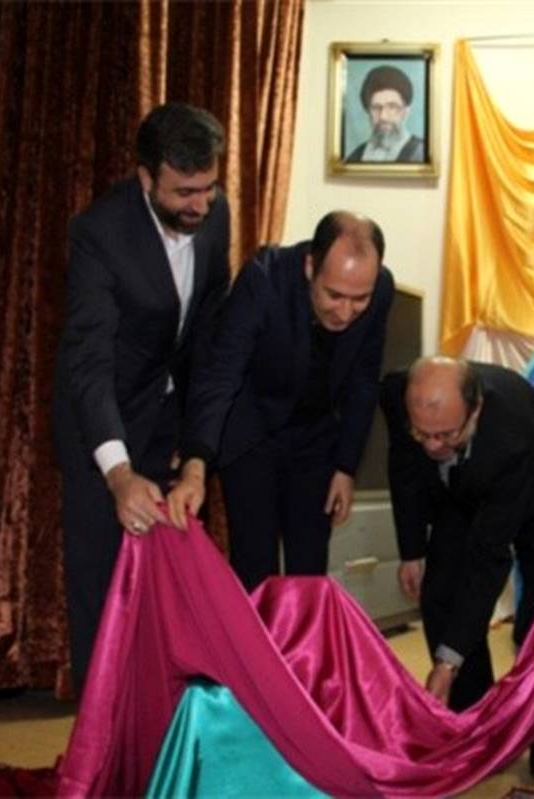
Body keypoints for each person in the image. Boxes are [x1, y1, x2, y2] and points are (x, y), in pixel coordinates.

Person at [52, 102, 230, 697]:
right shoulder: (99, 233)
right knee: (101, 586)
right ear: (146, 176)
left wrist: (197, 457)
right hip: (102, 425)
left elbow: (209, 345)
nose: (200, 205)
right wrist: (119, 473)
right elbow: (89, 361)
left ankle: (160, 722)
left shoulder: (217, 215)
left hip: (168, 420)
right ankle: (100, 728)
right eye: (184, 192)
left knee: (167, 587)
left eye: (209, 188)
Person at [166, 212, 394, 591]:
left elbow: (364, 380)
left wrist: (345, 466)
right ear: (310, 266)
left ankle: (303, 635)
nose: (345, 312)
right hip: (253, 432)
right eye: (334, 295)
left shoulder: (382, 289)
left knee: (310, 568)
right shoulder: (264, 278)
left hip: (316, 438)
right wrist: (196, 462)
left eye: (360, 300)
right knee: (257, 567)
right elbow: (221, 373)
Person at [379, 357, 534, 782]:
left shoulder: (510, 434)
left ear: (476, 409)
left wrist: (445, 664)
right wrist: (412, 551)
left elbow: (488, 559)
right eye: (423, 433)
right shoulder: (398, 395)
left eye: (446, 434)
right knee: (439, 594)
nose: (433, 446)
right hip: (461, 490)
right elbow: (405, 467)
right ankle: (477, 732)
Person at [345, 64, 426, 163]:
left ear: (406, 111)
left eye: (392, 107)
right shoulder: (355, 157)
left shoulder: (422, 153)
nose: (383, 117)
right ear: (368, 112)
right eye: (376, 108)